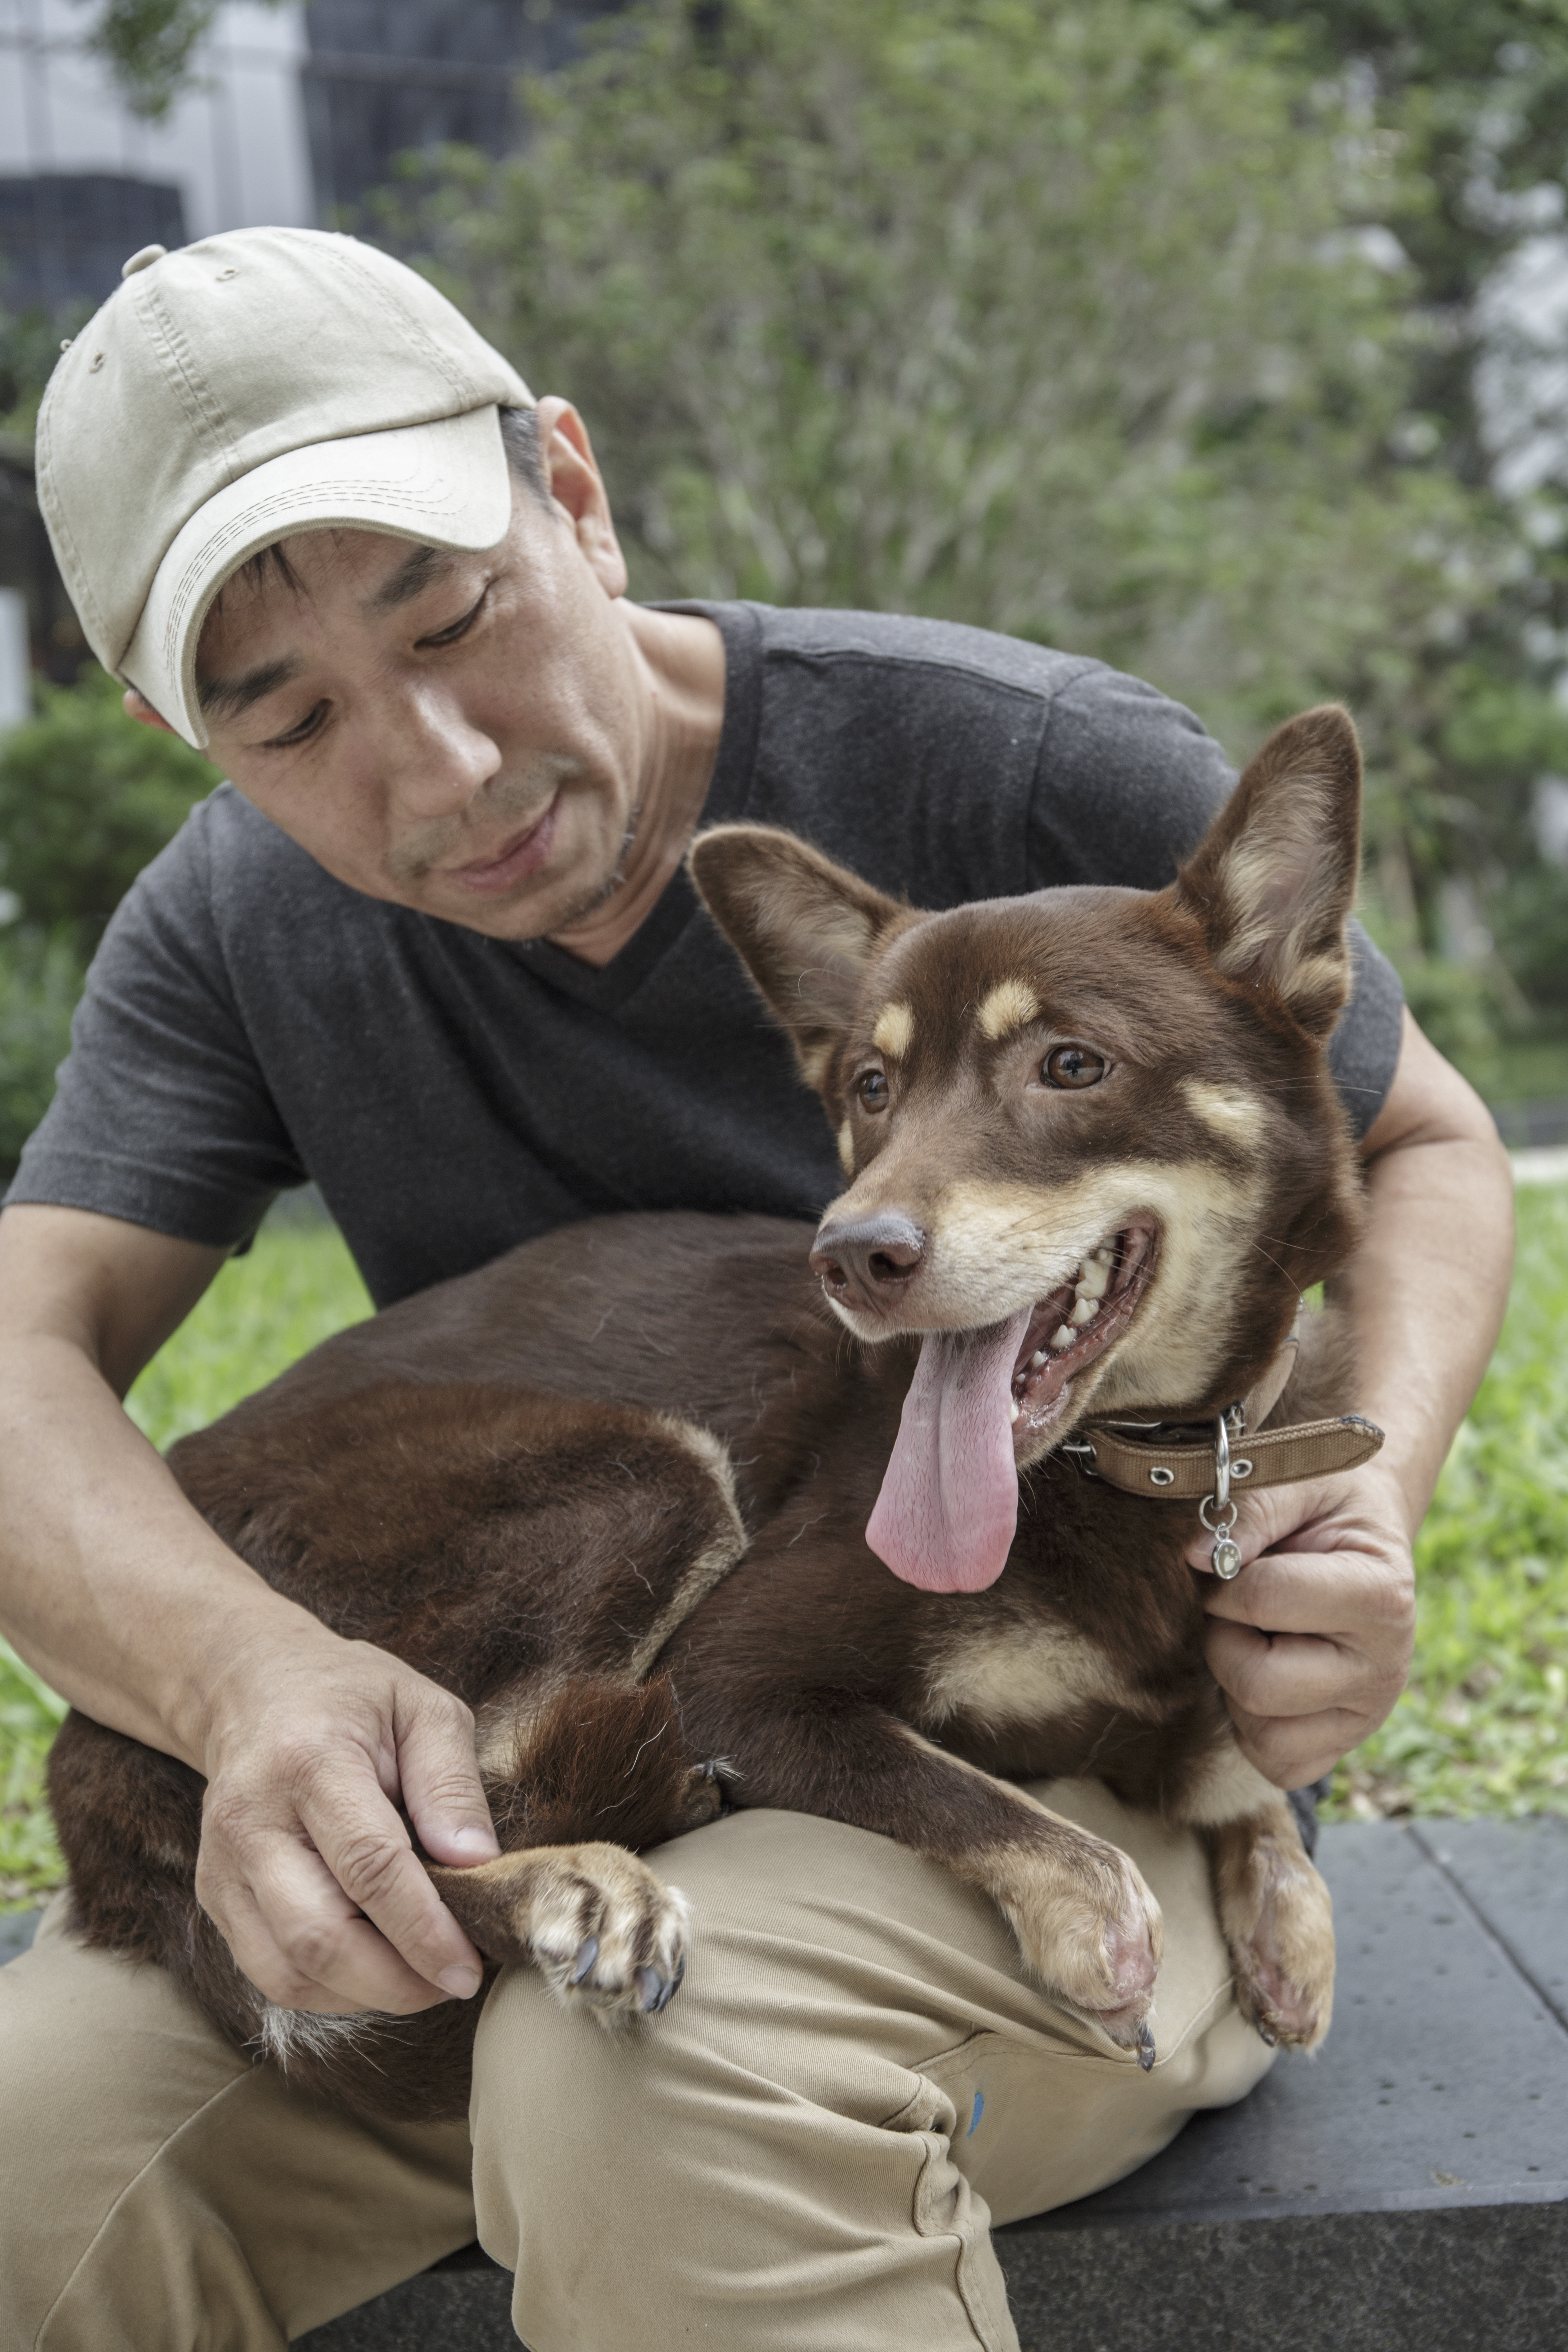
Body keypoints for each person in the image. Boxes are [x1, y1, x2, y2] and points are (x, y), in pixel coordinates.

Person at [0, 228, 1511, 2352]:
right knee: (23, 2162)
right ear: (175, 726)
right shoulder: (233, 932)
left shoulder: (1017, 765)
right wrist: (252, 1687)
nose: (437, 764)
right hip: (525, 1788)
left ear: (576, 492)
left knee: (644, 2070)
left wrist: (1368, 1506)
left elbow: (1429, 1137)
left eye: (460, 615)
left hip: (1053, 1761)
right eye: (291, 715)